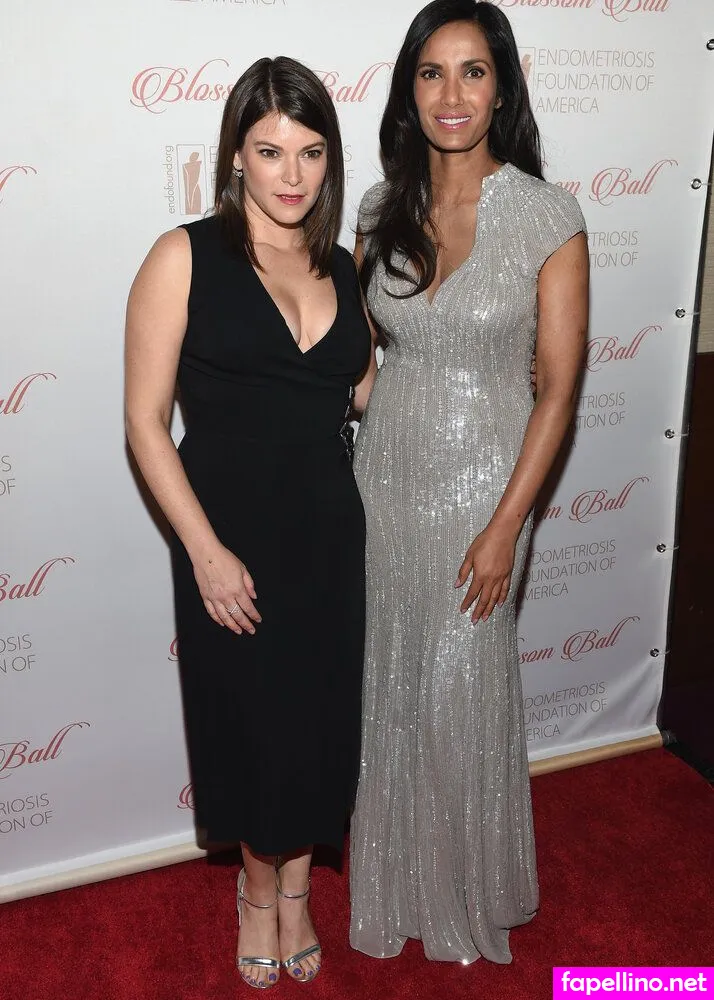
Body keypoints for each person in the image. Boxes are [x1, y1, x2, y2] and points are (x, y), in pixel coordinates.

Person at [349, 0, 589, 965]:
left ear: (502, 89)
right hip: (385, 476)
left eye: (473, 71)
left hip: (491, 483)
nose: (452, 93)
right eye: (432, 72)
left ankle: (465, 891)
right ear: (410, 90)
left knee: (460, 684)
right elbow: (360, 354)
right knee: (394, 680)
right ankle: (398, 883)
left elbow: (559, 389)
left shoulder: (548, 216)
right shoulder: (380, 208)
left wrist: (504, 526)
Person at [125, 57, 371, 989]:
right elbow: (144, 422)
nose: (291, 173)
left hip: (328, 535)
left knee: (317, 722)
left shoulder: (343, 266)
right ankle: (257, 895)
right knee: (253, 725)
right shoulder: (184, 256)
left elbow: (364, 394)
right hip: (227, 532)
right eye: (270, 151)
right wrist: (204, 551)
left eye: (310, 152)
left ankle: (299, 890)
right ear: (236, 155)